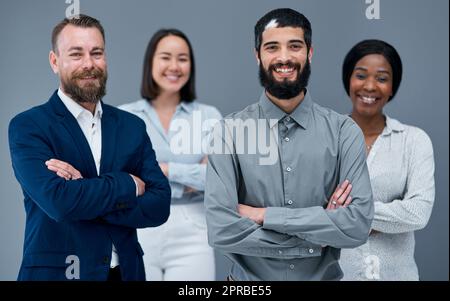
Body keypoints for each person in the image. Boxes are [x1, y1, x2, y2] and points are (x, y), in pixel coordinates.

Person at [204, 8, 374, 281]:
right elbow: (221, 230)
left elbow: (357, 226)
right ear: (257, 55)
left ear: (310, 53)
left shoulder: (344, 132)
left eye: (294, 46)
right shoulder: (228, 133)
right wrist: (313, 237)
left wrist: (264, 216)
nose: (284, 58)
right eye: (272, 47)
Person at [8, 14, 171, 281]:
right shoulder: (28, 126)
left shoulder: (132, 126)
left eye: (97, 53)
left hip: (126, 273)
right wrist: (127, 185)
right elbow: (59, 203)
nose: (89, 64)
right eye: (76, 54)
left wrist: (83, 191)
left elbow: (159, 205)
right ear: (54, 61)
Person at [119, 29, 222, 281]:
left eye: (183, 58)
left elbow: (219, 179)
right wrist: (190, 179)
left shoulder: (209, 117)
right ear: (150, 62)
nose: (174, 66)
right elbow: (119, 178)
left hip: (194, 230)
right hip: (137, 227)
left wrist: (162, 171)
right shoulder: (124, 117)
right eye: (166, 57)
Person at [338, 39, 435, 281]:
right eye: (360, 75)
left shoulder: (414, 140)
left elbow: (418, 212)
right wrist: (385, 219)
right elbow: (311, 210)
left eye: (382, 78)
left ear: (393, 86)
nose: (369, 86)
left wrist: (353, 216)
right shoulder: (324, 138)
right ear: (348, 80)